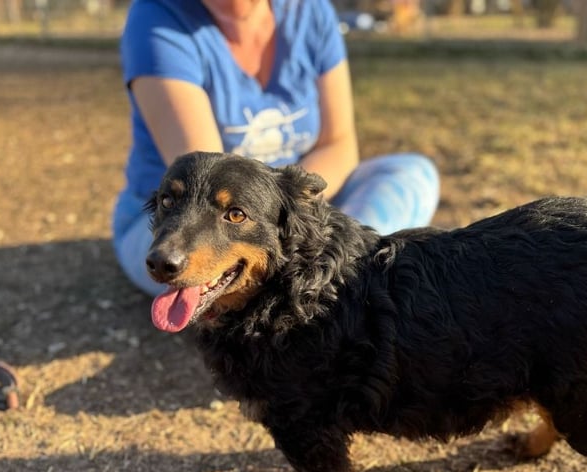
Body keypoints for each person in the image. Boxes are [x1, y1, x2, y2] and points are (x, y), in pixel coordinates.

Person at [114, 0, 440, 296]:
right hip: (191, 225)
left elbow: (338, 144)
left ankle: (341, 277)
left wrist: (294, 211)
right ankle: (336, 287)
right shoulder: (157, 18)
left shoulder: (310, 12)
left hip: (291, 208)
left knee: (411, 173)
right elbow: (206, 181)